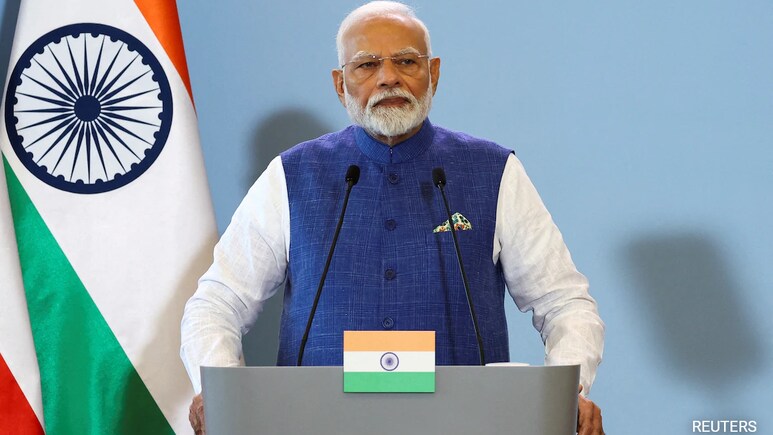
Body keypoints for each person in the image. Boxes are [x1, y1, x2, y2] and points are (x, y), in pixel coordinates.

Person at [181, 1, 605, 434]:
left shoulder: (493, 171)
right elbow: (217, 303)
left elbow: (564, 303)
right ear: (340, 84)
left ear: (433, 73)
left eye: (406, 61)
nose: (388, 77)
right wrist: (220, 393)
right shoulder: (292, 176)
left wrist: (566, 395)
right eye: (367, 64)